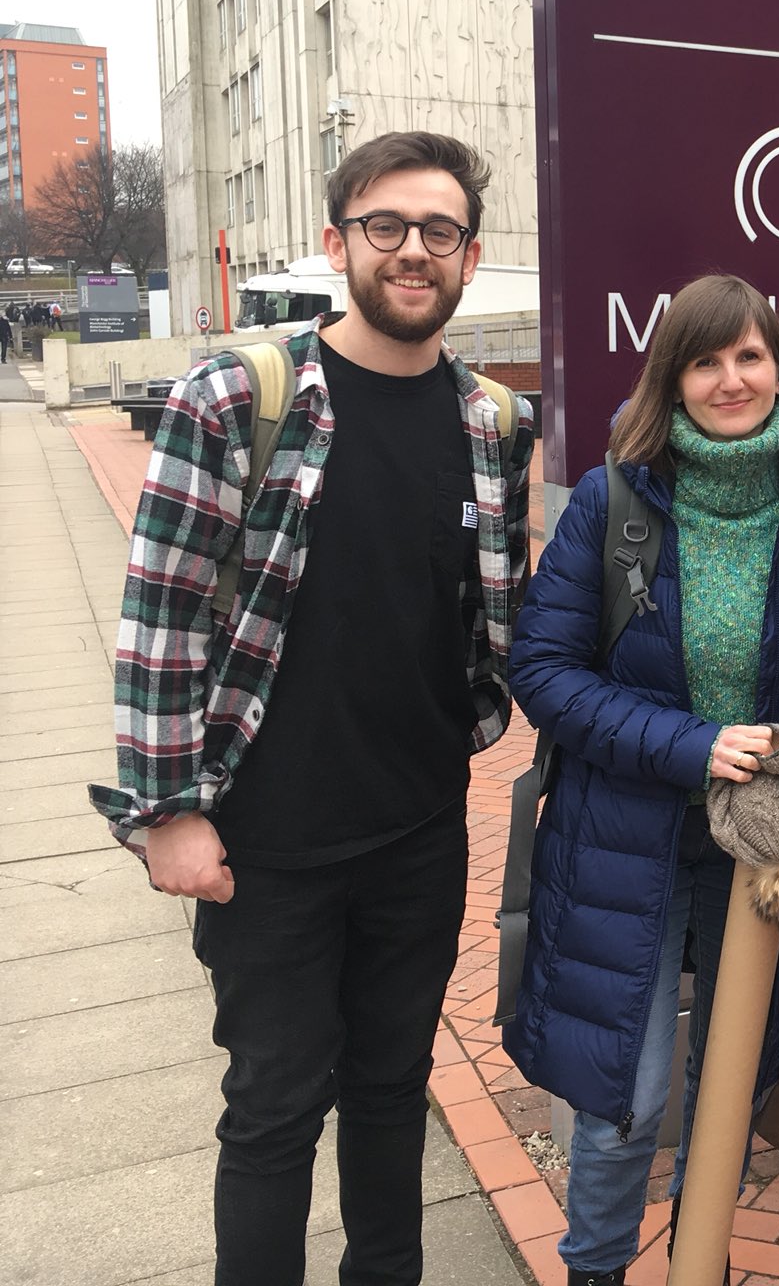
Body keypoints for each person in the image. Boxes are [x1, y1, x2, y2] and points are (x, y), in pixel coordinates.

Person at [89, 131, 534, 1286]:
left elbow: (493, 615)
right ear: (339, 242)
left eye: (438, 231)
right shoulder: (242, 393)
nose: (411, 250)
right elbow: (161, 614)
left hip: (420, 828)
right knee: (276, 1109)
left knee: (392, 1091)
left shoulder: (492, 421)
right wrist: (164, 812)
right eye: (385, 226)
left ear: (468, 256)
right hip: (265, 840)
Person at [505, 273, 779, 1286]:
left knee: (732, 1084)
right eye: (705, 360)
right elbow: (543, 672)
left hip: (763, 845)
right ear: (671, 378)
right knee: (622, 1103)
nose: (731, 379)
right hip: (621, 843)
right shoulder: (611, 501)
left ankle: (699, 1264)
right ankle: (594, 1271)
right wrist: (691, 746)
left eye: (749, 357)